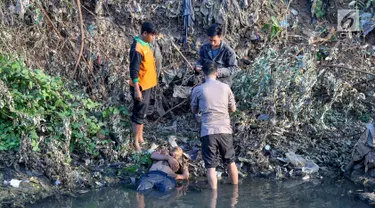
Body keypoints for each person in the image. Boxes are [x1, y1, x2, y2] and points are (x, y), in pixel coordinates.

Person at [190, 61, 238, 190]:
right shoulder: (225, 87)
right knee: (230, 162)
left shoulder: (198, 89)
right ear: (217, 73)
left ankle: (213, 196)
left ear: (203, 73)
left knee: (211, 166)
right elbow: (233, 109)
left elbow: (194, 110)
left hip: (208, 131)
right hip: (225, 130)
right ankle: (235, 193)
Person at [129, 22, 158, 151]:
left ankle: (140, 137)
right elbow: (134, 70)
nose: (153, 38)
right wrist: (136, 89)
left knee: (143, 112)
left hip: (148, 84)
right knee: (138, 114)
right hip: (140, 86)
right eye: (151, 35)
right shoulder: (137, 48)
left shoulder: (146, 44)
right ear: (144, 33)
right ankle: (135, 143)